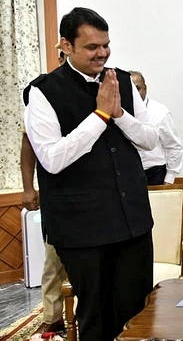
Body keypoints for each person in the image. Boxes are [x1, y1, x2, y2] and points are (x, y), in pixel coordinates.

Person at [24, 7, 159, 341]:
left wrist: (120, 114)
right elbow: (52, 159)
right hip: (80, 226)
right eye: (92, 47)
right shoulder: (42, 92)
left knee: (137, 311)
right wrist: (99, 116)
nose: (102, 53)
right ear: (66, 46)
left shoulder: (122, 80)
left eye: (106, 45)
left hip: (132, 221)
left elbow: (150, 140)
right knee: (95, 315)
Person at [20, 46, 67, 335]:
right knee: (53, 258)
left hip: (95, 195)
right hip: (56, 193)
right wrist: (28, 187)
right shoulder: (41, 94)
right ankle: (53, 315)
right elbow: (29, 147)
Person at [129, 70, 183, 185]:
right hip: (127, 175)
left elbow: (174, 147)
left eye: (137, 88)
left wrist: (169, 179)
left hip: (155, 174)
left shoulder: (160, 112)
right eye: (130, 89)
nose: (134, 93)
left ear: (145, 89)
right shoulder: (117, 113)